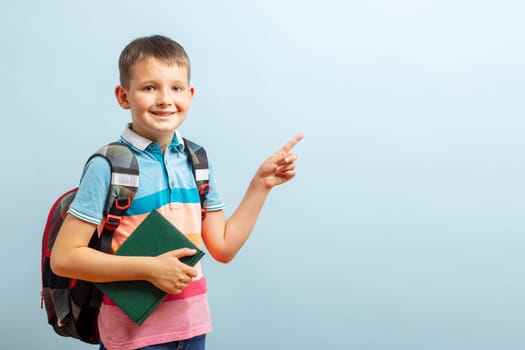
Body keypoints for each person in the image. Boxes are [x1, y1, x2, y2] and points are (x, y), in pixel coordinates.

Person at [50, 34, 303, 350]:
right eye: (149, 87)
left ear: (191, 94)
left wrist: (260, 186)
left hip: (193, 331)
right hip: (133, 339)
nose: (164, 99)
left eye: (176, 87)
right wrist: (150, 269)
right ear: (123, 96)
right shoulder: (109, 165)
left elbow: (223, 248)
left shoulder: (197, 161)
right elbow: (64, 258)